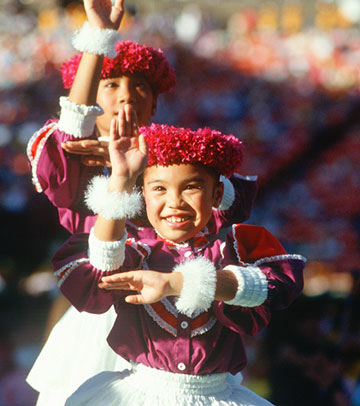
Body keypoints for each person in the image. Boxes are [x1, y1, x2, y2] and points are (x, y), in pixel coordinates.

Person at [26, 1, 257, 404]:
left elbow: (230, 199)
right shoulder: (77, 158)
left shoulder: (177, 163)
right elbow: (64, 144)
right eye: (110, 85)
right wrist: (98, 41)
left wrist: (154, 161)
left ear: (155, 104)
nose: (125, 97)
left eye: (140, 87)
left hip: (176, 314)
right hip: (101, 320)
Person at [52, 114, 306, 406]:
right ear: (142, 194)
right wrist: (121, 181)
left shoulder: (234, 251)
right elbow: (100, 268)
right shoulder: (136, 254)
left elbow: (275, 286)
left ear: (217, 193)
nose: (175, 201)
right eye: (159, 188)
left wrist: (177, 283)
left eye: (191, 187)